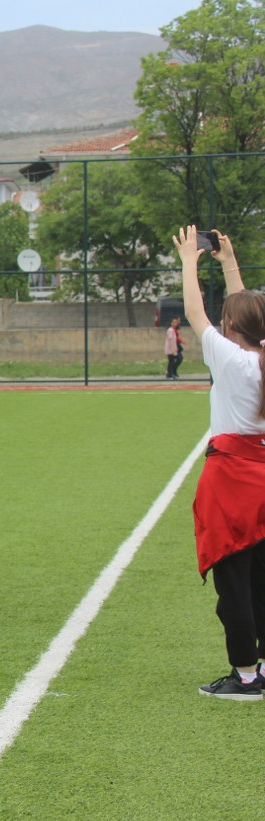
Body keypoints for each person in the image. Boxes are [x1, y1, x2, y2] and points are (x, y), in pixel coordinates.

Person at [173, 226, 265, 700]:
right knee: (262, 581)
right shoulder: (258, 358)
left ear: (231, 327)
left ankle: (245, 676)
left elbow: (196, 313)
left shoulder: (231, 361)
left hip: (231, 483)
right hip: (262, 477)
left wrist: (189, 261)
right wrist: (229, 262)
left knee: (234, 586)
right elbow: (247, 314)